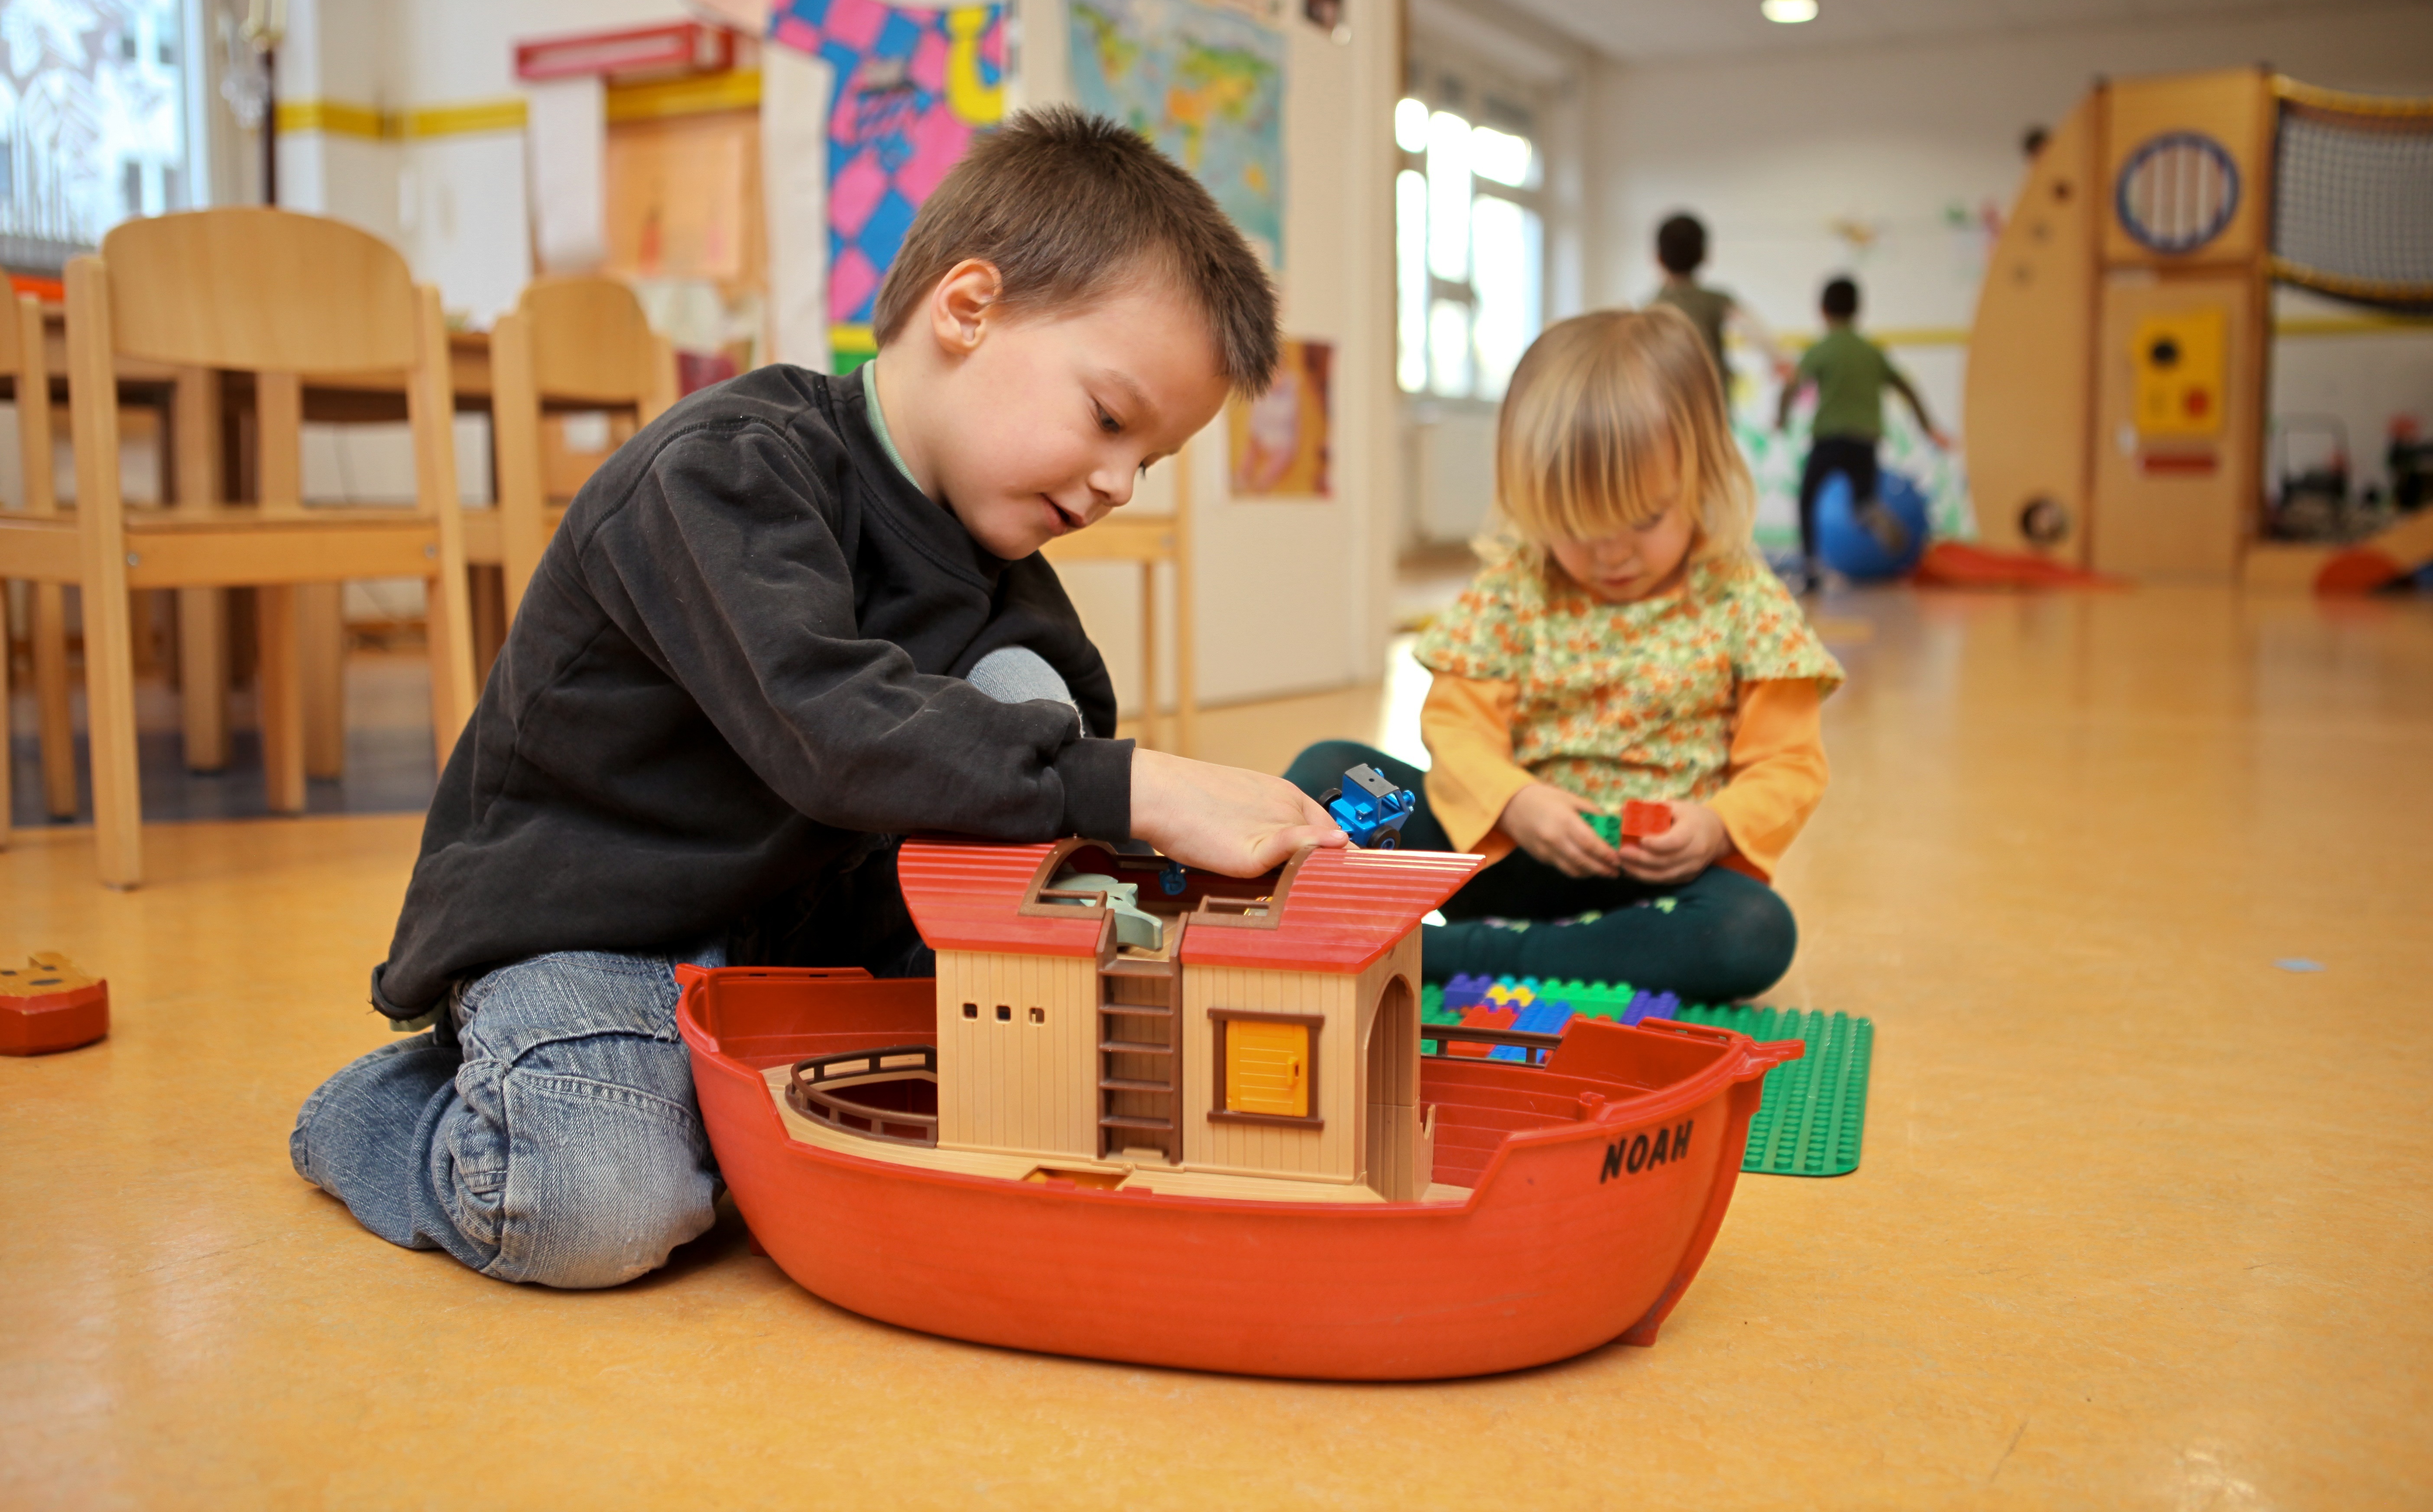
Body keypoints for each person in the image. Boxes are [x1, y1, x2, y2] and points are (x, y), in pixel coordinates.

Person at [289, 108, 1347, 1289]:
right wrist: (1145, 784)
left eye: (1146, 461)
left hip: (791, 933)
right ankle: (391, 1108)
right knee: (604, 1208)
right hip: (598, 928)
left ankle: (698, 1102)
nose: (1116, 484)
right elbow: (831, 728)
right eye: (1109, 420)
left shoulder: (1010, 581)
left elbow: (1049, 764)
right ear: (967, 309)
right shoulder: (728, 471)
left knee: (1025, 707)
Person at [1287, 307, 1842, 1001]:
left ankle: (1454, 954)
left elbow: (1787, 764)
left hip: (1653, 892)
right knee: (1330, 773)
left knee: (1753, 930)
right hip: (1510, 855)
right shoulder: (1515, 589)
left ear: (1701, 477)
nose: (1611, 555)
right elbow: (1459, 731)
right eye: (1575, 528)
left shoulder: (1745, 600)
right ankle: (1496, 943)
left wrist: (1717, 825)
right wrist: (1516, 800)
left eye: (1644, 520)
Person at [1778, 275, 1953, 589]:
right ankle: (1870, 510)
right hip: (1865, 439)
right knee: (1862, 499)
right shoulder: (1871, 351)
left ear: (1823, 311)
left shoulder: (1822, 349)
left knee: (1808, 498)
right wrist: (1929, 428)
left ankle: (1811, 570)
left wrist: (1781, 417)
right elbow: (1906, 388)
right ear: (1858, 311)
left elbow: (1793, 386)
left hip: (1829, 438)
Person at [1647, 212, 1783, 406]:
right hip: (1713, 404)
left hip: (1667, 407)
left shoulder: (1650, 309)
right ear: (1704, 256)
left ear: (1658, 257)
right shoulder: (1718, 301)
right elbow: (1755, 332)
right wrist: (1776, 359)